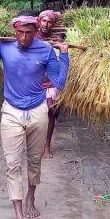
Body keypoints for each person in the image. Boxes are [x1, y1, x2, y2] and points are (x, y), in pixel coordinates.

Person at [0, 12, 69, 219]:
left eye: (28, 33)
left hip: (37, 111)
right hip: (11, 111)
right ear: (14, 31)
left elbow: (59, 82)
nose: (23, 37)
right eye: (20, 32)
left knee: (34, 160)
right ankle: (19, 218)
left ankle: (31, 196)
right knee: (12, 164)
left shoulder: (45, 50)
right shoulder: (4, 48)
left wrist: (64, 55)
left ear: (36, 33)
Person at [43, 31, 66, 159]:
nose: (55, 39)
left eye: (58, 37)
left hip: (54, 87)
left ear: (63, 39)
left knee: (51, 114)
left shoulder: (64, 52)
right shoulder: (44, 48)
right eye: (53, 37)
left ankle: (47, 146)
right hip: (38, 86)